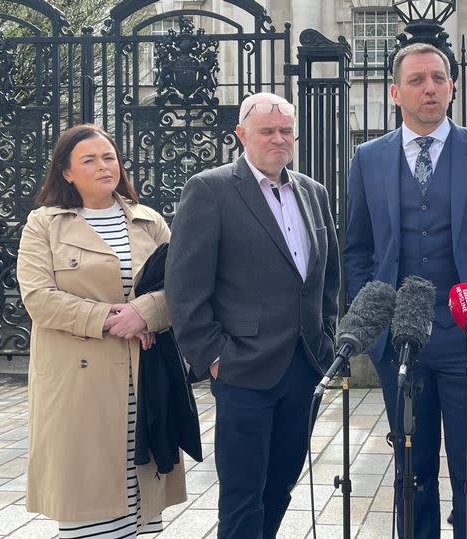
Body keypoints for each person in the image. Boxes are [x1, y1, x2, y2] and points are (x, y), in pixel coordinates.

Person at [343, 42, 467, 538]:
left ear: (452, 86)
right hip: (400, 340)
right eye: (416, 80)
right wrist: (375, 320)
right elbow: (357, 250)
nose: (429, 88)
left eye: (438, 78)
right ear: (395, 92)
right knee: (412, 474)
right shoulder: (368, 158)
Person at [165, 92, 340, 538]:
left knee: (281, 485)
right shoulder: (210, 189)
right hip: (242, 367)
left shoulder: (313, 192)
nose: (278, 139)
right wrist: (214, 357)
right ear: (241, 135)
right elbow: (185, 287)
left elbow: (329, 276)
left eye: (285, 131)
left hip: (304, 367)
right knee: (243, 494)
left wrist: (327, 339)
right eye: (267, 131)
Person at [17, 124, 185, 538]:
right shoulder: (44, 225)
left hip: (144, 374)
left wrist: (146, 311)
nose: (103, 166)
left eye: (108, 156)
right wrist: (112, 317)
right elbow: (38, 297)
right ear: (67, 172)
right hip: (79, 382)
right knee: (89, 503)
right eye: (88, 159)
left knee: (142, 499)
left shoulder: (148, 221)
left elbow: (183, 284)